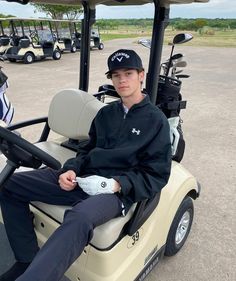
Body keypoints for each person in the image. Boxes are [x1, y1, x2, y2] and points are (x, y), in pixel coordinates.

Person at [0, 49, 172, 281]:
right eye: (116, 75)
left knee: (79, 217)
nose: (122, 80)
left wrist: (117, 184)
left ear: (141, 75)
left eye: (128, 73)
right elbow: (86, 149)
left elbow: (157, 174)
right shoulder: (106, 114)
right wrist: (71, 169)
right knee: (9, 185)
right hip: (84, 179)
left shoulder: (156, 121)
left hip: (116, 193)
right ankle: (26, 260)